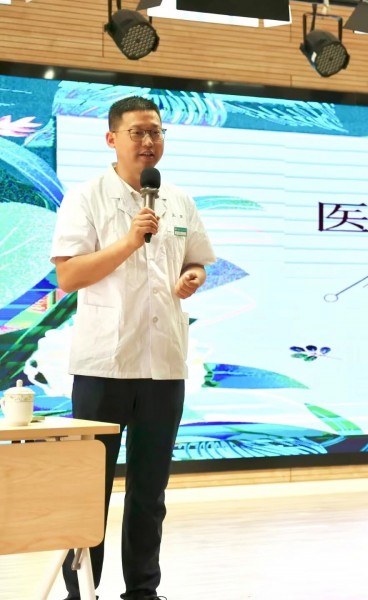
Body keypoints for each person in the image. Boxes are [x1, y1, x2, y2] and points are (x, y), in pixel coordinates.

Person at [50, 96, 216, 600]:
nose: (148, 141)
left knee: (149, 493)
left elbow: (198, 262)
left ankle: (143, 591)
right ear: (112, 139)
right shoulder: (85, 197)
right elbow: (68, 276)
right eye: (138, 132)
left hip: (164, 365)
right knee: (89, 493)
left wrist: (192, 277)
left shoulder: (179, 201)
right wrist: (128, 241)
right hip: (103, 366)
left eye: (156, 132)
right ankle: (83, 592)